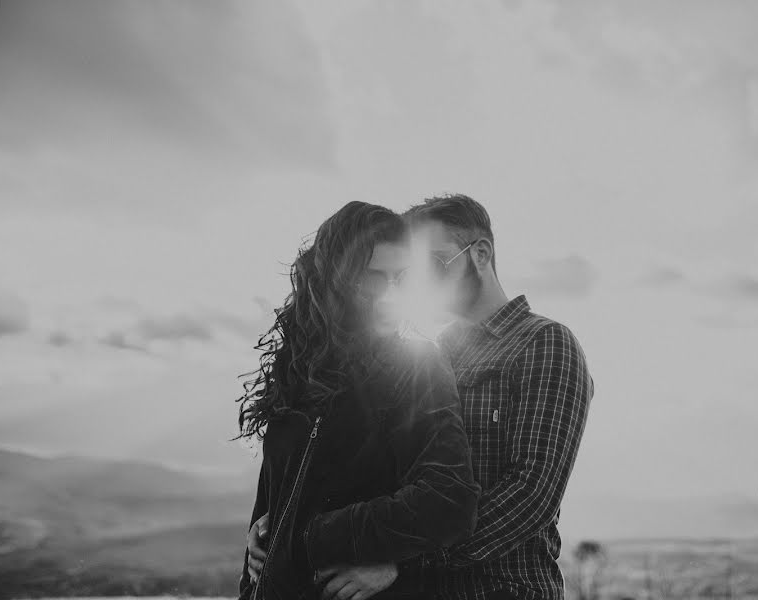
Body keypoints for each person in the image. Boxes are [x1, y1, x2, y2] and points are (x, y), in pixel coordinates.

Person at [322, 194, 595, 599]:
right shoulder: (426, 356)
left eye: (435, 264)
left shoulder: (545, 343)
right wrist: (287, 522)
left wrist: (401, 559)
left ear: (480, 254)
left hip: (503, 589)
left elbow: (530, 492)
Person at [236, 201, 480, 600]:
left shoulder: (415, 366)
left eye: (399, 277)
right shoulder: (297, 369)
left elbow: (448, 499)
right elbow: (272, 500)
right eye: (372, 277)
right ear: (334, 277)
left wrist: (307, 536)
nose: (387, 294)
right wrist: (261, 553)